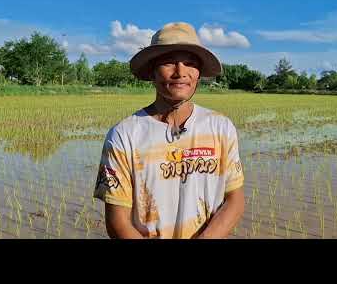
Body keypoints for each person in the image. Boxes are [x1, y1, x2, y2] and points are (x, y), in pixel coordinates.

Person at [93, 22, 245, 239]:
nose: (180, 72)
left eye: (190, 63)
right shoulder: (124, 135)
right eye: (168, 63)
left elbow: (235, 200)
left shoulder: (220, 127)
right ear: (152, 72)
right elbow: (117, 222)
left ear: (199, 73)